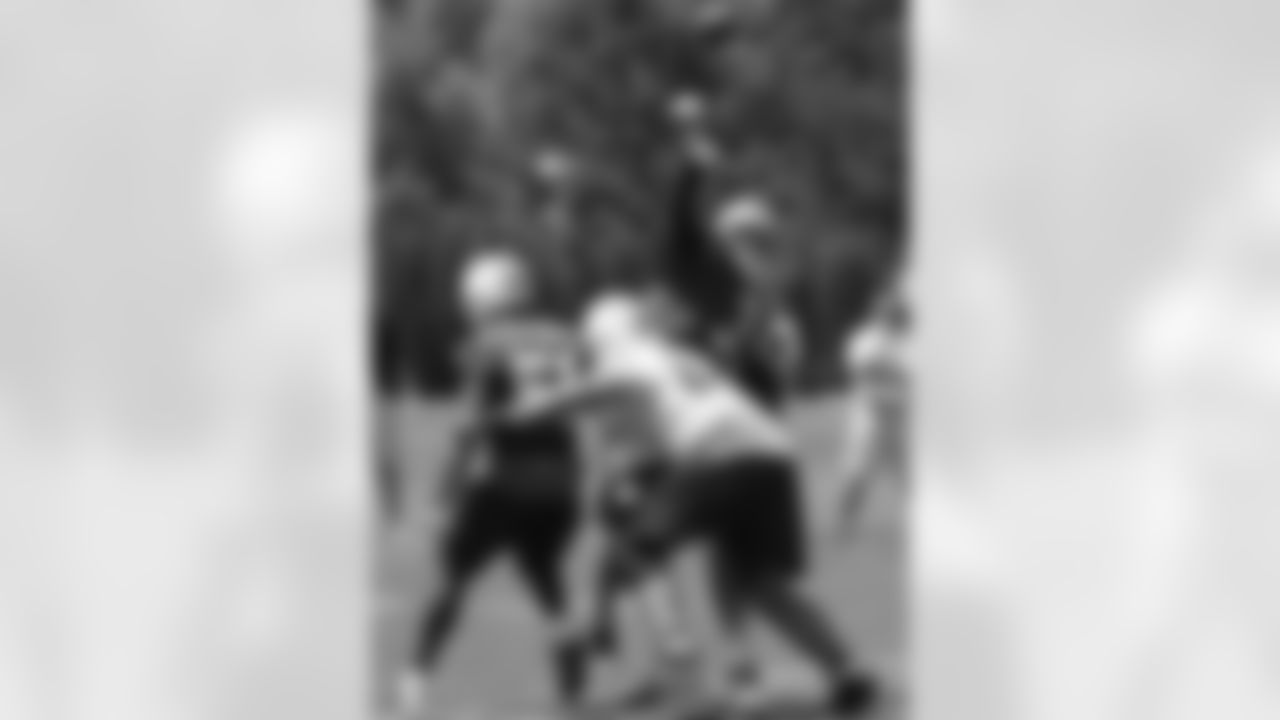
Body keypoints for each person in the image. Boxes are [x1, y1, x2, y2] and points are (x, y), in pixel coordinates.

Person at [513, 292, 881, 716]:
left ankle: (687, 681)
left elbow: (588, 395)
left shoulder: (627, 358)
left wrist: (523, 413)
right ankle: (846, 673)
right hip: (771, 454)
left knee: (637, 549)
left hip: (717, 453)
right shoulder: (676, 356)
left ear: (604, 337)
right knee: (761, 583)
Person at [395, 250, 590, 717]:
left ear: (479, 298)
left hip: (510, 479)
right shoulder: (565, 336)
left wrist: (446, 491)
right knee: (548, 581)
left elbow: (473, 423)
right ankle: (573, 696)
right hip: (562, 481)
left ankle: (414, 682)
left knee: (454, 577)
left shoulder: (484, 343)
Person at [837, 283, 911, 538]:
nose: (892, 312)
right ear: (877, 311)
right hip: (870, 414)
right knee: (858, 471)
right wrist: (897, 372)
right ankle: (845, 523)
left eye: (895, 309)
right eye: (887, 309)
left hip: (899, 416)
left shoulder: (906, 340)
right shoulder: (865, 339)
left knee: (909, 474)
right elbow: (864, 369)